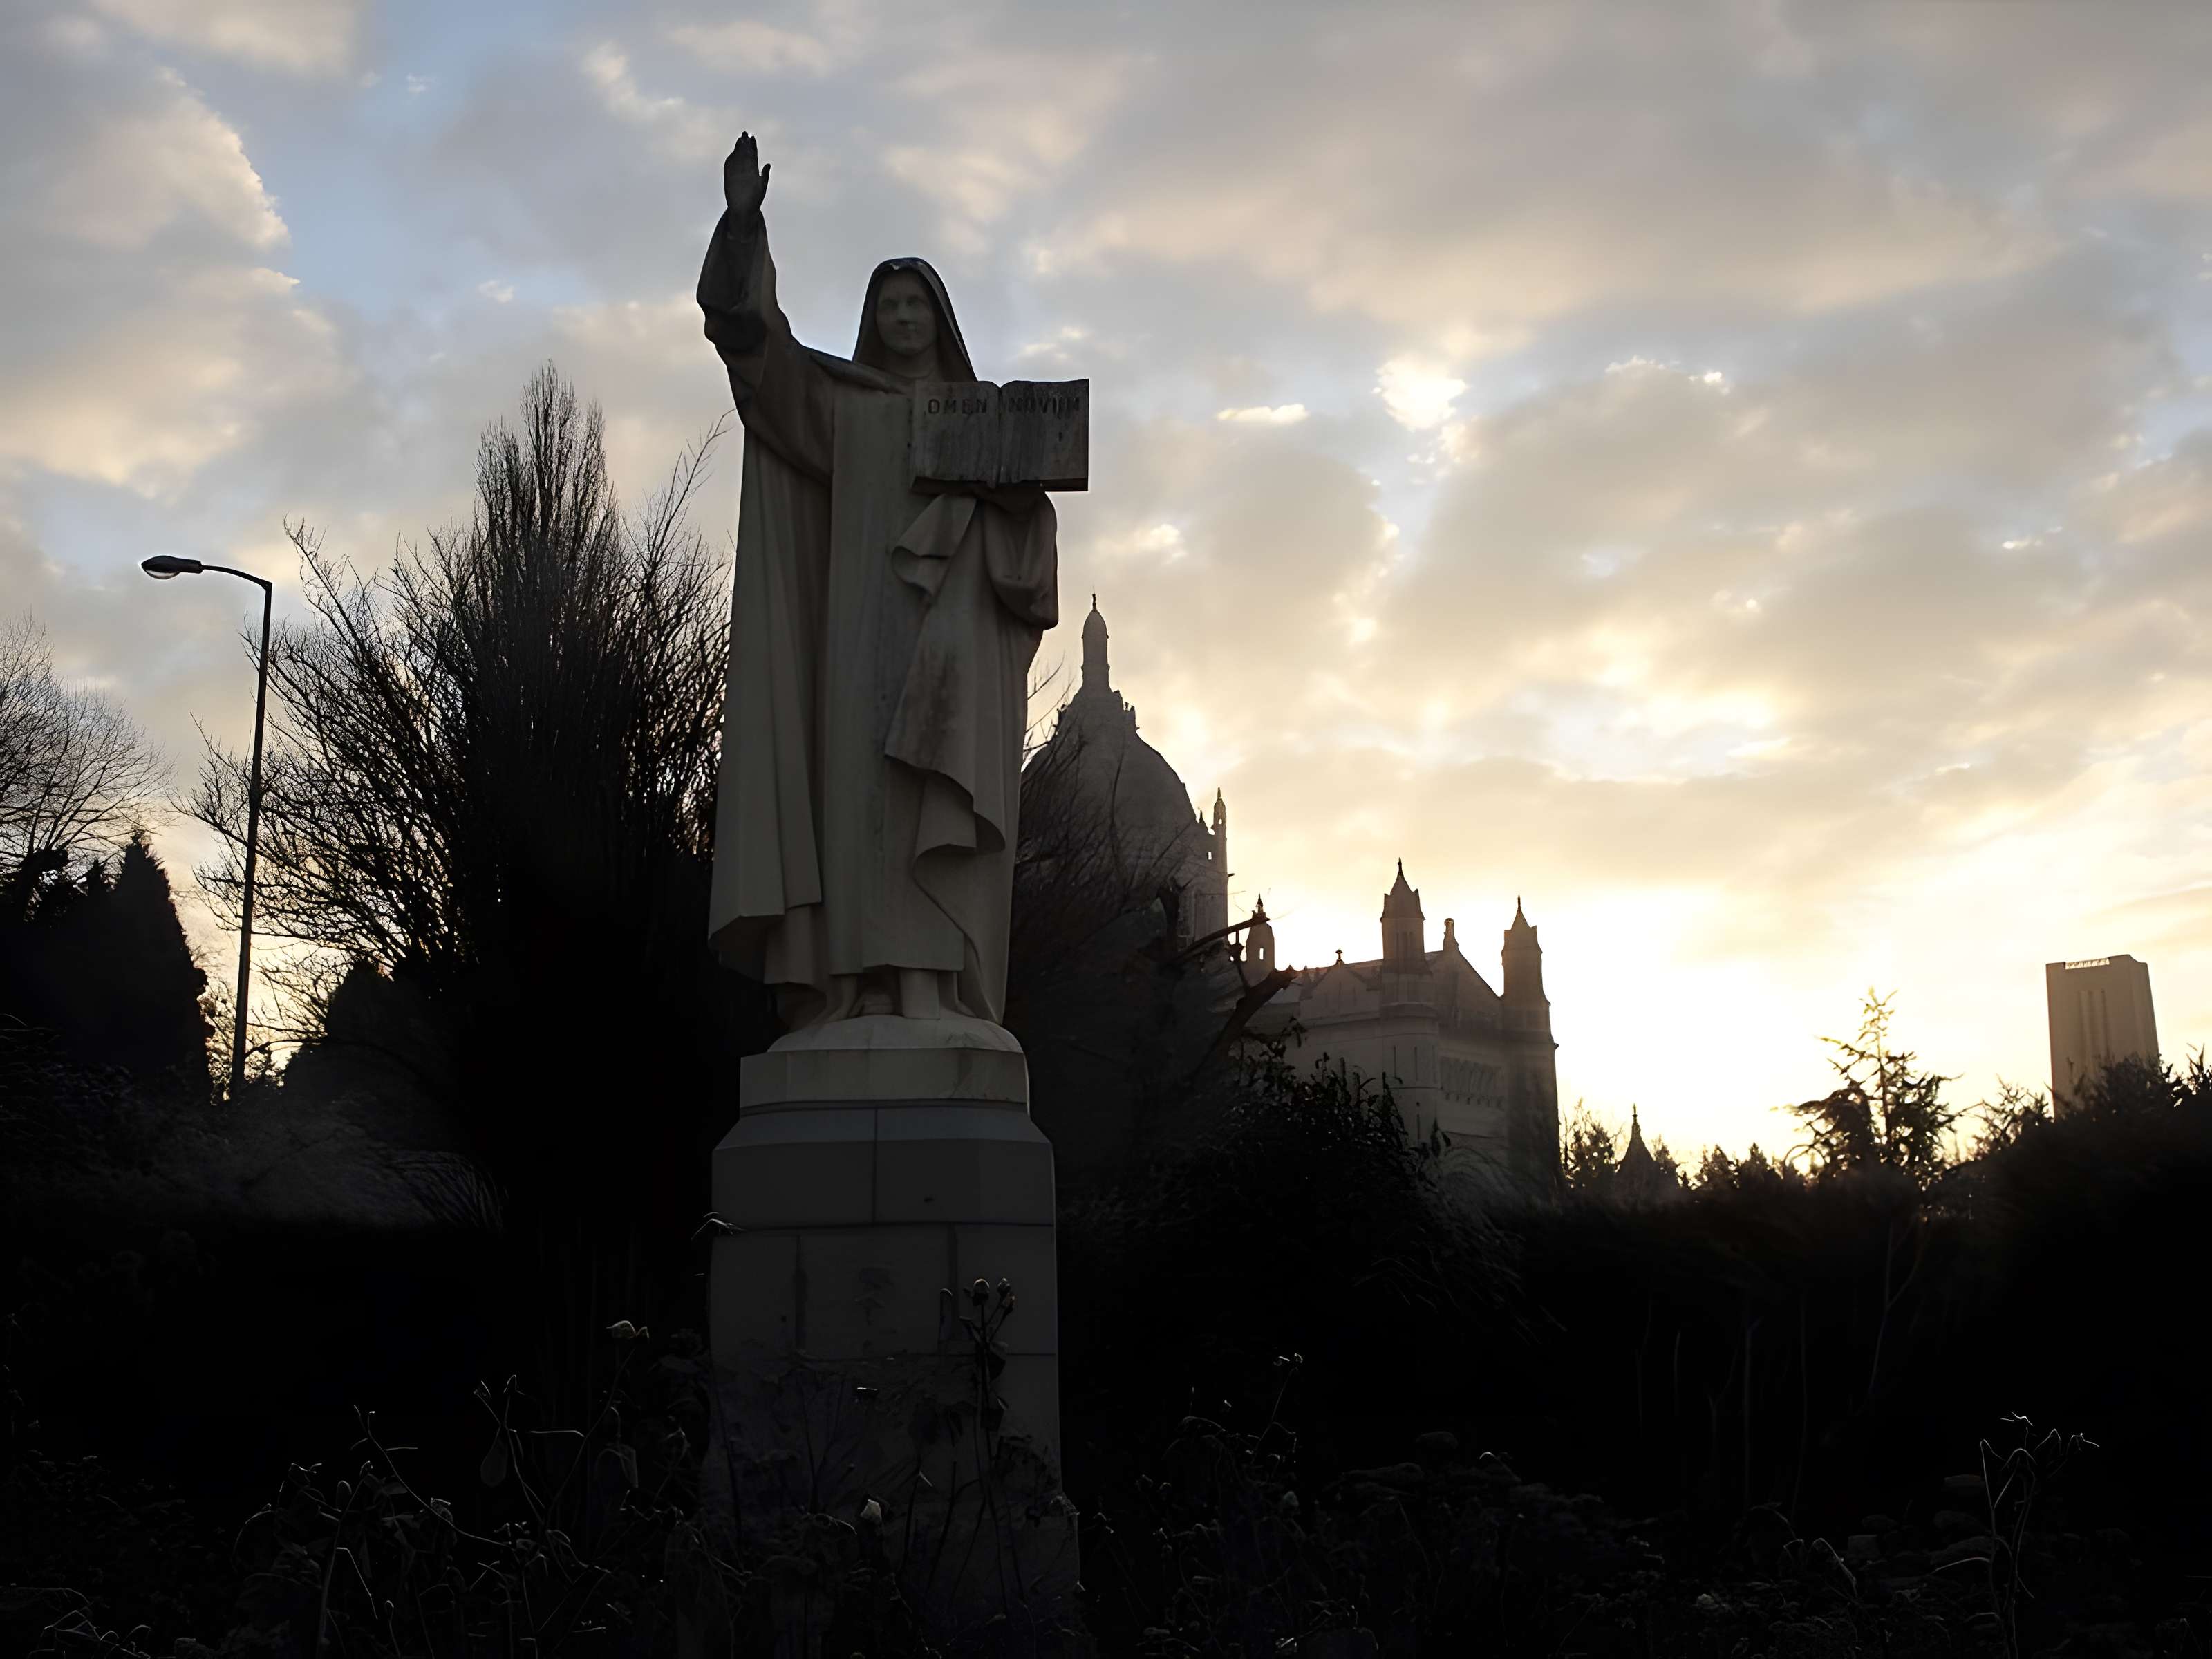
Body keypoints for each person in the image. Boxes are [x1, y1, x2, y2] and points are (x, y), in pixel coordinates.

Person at [698, 133, 1058, 1029]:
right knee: (860, 807)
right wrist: (744, 230)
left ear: (938, 319)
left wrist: (1011, 500)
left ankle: (935, 988)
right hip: (861, 637)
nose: (902, 319)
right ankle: (857, 986)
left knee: (937, 800)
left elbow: (1029, 551)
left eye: (915, 305)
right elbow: (759, 356)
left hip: (956, 641)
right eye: (889, 304)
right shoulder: (841, 404)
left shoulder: (982, 420)